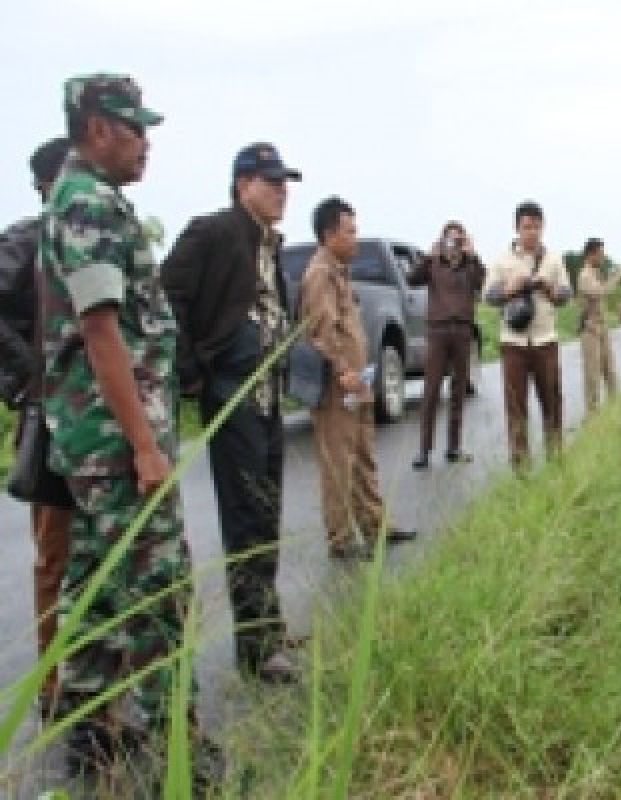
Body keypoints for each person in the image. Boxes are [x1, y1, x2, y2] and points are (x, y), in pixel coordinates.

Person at [40, 73, 212, 777]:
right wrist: (144, 446)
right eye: (135, 128)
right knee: (160, 584)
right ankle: (181, 751)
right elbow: (101, 331)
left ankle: (87, 730)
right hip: (114, 440)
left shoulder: (92, 198)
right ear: (97, 126)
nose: (146, 144)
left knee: (96, 578)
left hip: (103, 436)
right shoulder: (86, 204)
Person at [161, 142, 302, 684]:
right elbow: (167, 298)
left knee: (267, 511)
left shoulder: (268, 244)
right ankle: (256, 647)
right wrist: (194, 371)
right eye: (271, 182)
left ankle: (268, 622)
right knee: (245, 517)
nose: (281, 191)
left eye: (283, 182)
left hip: (267, 395)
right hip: (234, 394)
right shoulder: (215, 232)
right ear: (243, 185)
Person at [300, 196, 416, 557]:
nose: (355, 238)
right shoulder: (320, 274)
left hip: (357, 382)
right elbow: (321, 331)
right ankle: (340, 538)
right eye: (350, 231)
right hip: (339, 385)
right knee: (338, 461)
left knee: (364, 455)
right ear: (330, 234)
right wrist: (343, 370)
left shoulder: (340, 271)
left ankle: (374, 524)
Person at [0, 137, 73, 709]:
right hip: (49, 417)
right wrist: (29, 374)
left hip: (94, 416)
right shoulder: (28, 240)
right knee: (55, 553)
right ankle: (52, 682)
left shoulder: (88, 237)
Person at [483, 201, 572, 469]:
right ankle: (521, 470)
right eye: (526, 226)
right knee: (516, 408)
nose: (531, 232)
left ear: (543, 226)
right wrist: (510, 289)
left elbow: (565, 295)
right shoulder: (502, 260)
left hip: (545, 341)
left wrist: (547, 288)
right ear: (517, 228)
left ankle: (556, 462)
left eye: (536, 226)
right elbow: (489, 296)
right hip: (513, 344)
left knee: (552, 404)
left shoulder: (554, 260)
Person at [408, 220, 486, 468]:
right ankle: (424, 449)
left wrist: (473, 256)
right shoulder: (434, 263)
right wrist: (427, 257)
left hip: (462, 330)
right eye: (450, 238)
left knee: (458, 390)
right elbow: (412, 278)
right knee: (431, 391)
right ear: (442, 240)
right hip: (438, 330)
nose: (454, 244)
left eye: (459, 239)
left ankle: (454, 447)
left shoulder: (468, 265)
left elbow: (481, 283)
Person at [576, 237, 621, 414]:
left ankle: (615, 411)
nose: (603, 257)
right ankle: (593, 416)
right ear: (591, 254)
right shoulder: (585, 275)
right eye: (600, 254)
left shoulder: (595, 274)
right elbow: (600, 292)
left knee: (610, 372)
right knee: (592, 377)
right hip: (590, 330)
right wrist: (616, 278)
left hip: (602, 329)